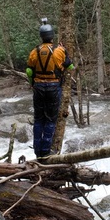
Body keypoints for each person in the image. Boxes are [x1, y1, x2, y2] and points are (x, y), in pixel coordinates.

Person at [26, 19, 74, 160]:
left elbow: (29, 71)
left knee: (39, 119)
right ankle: (46, 151)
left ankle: (37, 151)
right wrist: (64, 51)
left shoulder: (34, 52)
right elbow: (70, 67)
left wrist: (32, 84)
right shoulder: (59, 51)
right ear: (52, 36)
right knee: (51, 120)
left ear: (41, 37)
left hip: (39, 87)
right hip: (54, 87)